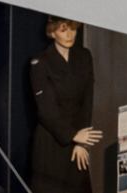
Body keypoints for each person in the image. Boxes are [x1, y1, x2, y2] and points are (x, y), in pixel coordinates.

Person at [28, 16, 100, 193]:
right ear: (52, 33)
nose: (69, 35)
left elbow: (87, 101)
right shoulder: (40, 63)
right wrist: (73, 136)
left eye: (73, 29)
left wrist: (82, 143)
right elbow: (46, 111)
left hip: (78, 141)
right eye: (63, 30)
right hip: (51, 143)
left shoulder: (84, 56)